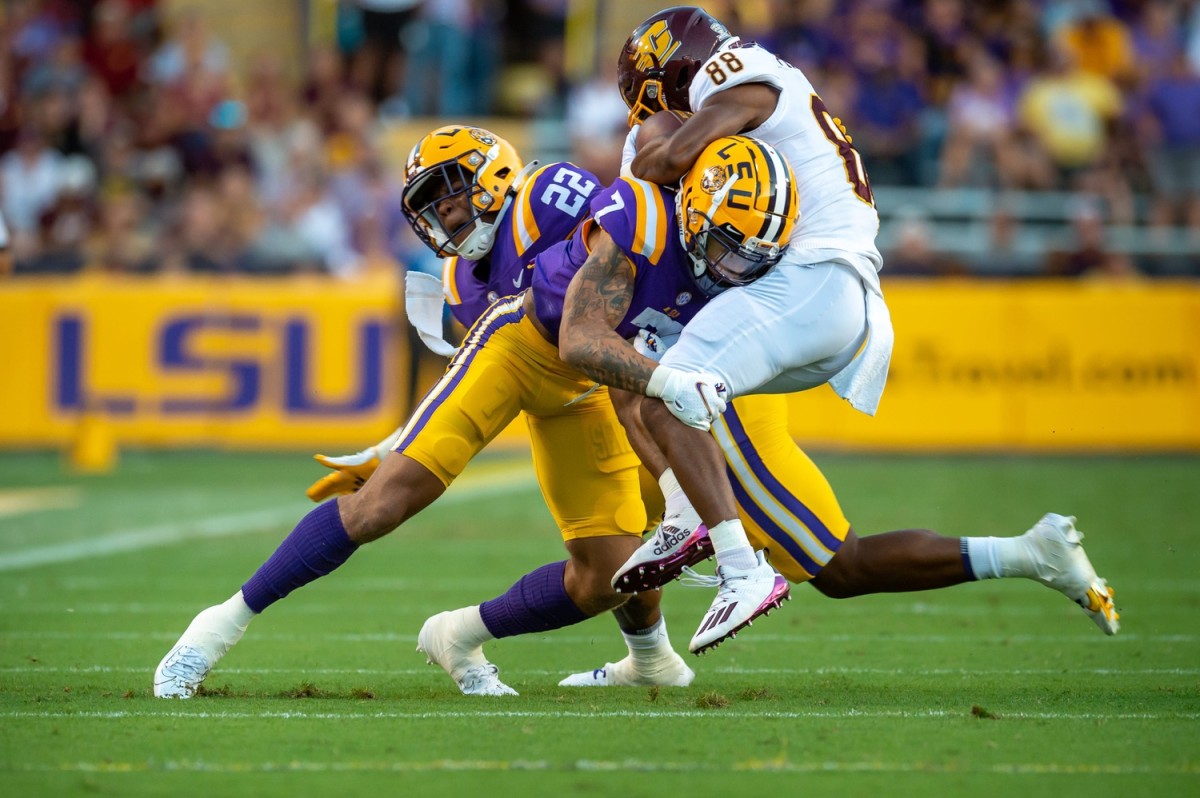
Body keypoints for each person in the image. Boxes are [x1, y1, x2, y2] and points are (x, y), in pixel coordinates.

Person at [598, 6, 1118, 652]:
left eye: (657, 95)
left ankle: (737, 567)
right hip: (829, 293)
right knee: (669, 386)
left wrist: (622, 187)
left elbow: (673, 155)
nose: (662, 109)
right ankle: (1028, 553)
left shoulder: (738, 75)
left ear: (677, 66)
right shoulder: (768, 78)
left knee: (671, 384)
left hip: (816, 279)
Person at [153, 125, 695, 698]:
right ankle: (214, 628)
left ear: (493, 174)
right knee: (380, 505)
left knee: (611, 574)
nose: (441, 215)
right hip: (517, 351)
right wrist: (399, 445)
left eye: (449, 193)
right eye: (428, 207)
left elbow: (629, 258)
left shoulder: (549, 196)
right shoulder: (461, 280)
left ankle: (472, 636)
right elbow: (479, 374)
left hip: (590, 386)